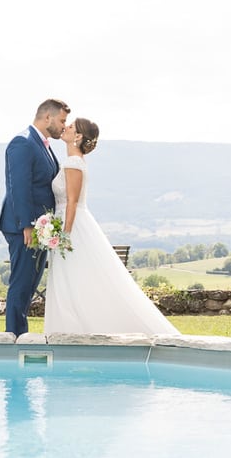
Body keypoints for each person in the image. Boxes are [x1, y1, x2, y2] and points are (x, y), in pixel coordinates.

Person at [43, 117, 177, 336]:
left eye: (70, 127)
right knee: (73, 280)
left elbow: (72, 202)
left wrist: (64, 235)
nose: (65, 128)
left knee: (75, 279)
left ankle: (75, 331)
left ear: (77, 136)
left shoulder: (73, 163)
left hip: (72, 227)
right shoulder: (72, 161)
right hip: (67, 223)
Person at [0, 98, 69, 335]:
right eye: (61, 120)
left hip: (41, 228)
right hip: (24, 228)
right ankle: (14, 337)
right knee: (21, 283)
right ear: (47, 117)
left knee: (29, 285)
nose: (63, 126)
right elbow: (18, 187)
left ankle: (21, 335)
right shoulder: (23, 142)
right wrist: (28, 224)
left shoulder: (43, 145)